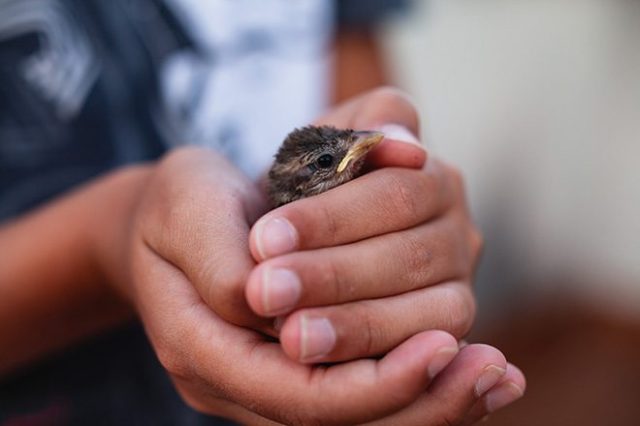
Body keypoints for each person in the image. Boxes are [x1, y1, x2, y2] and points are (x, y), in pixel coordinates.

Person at [0, 1, 525, 424]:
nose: (357, 151)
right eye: (326, 163)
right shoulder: (268, 242)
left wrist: (413, 227)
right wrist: (114, 234)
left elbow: (367, 113)